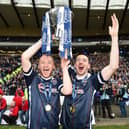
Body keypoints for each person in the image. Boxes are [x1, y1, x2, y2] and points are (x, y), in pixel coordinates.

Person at [60, 14, 119, 129]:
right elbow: (63, 55)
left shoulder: (93, 80)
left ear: (88, 66)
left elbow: (113, 66)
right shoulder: (69, 75)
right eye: (78, 60)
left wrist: (115, 37)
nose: (81, 62)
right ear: (75, 64)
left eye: (84, 60)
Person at [21, 39, 72, 129]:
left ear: (53, 66)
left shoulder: (57, 82)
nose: (46, 65)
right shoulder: (32, 79)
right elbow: (24, 57)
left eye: (49, 62)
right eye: (42, 62)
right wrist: (43, 40)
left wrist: (64, 68)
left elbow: (67, 91)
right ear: (39, 66)